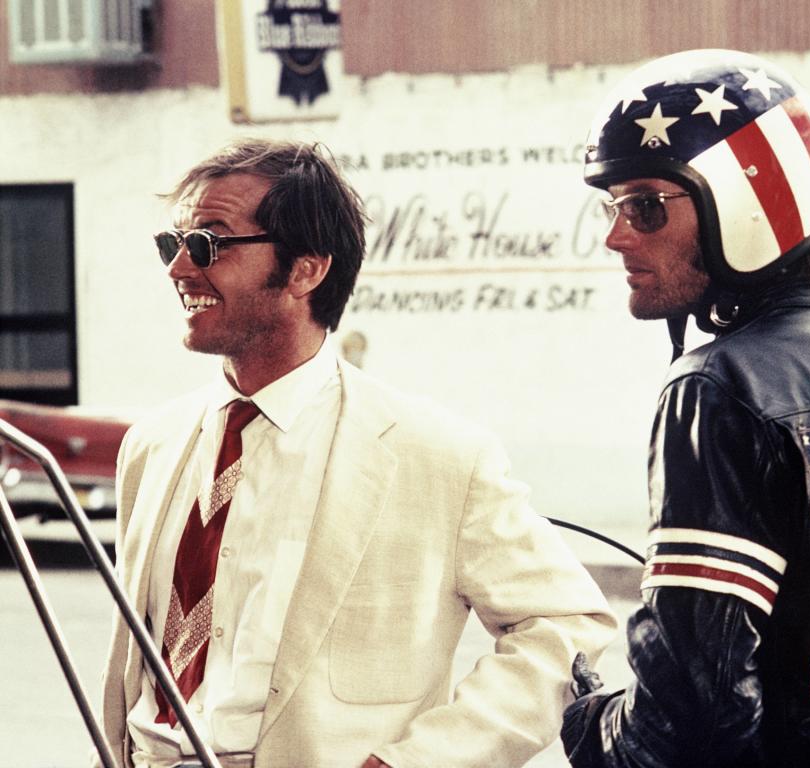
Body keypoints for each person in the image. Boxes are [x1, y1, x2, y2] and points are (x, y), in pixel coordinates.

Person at [99, 138, 616, 768]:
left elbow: (567, 626)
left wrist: (419, 761)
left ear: (306, 269)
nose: (179, 268)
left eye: (207, 243)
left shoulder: (435, 455)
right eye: (170, 245)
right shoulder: (152, 447)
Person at [560, 48, 810, 767]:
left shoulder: (716, 388)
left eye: (645, 206)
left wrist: (596, 727)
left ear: (742, 206)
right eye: (613, 206)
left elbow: (695, 714)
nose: (616, 235)